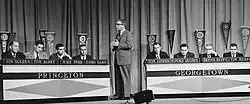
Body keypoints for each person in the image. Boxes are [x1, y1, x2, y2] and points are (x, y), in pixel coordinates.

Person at [110, 19, 133, 100]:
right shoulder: (117, 35)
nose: (116, 26)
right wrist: (114, 47)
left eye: (118, 24)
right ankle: (119, 94)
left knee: (125, 77)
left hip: (125, 59)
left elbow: (129, 45)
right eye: (116, 24)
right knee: (118, 77)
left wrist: (118, 44)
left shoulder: (128, 33)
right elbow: (118, 45)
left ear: (123, 25)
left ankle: (126, 95)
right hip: (117, 58)